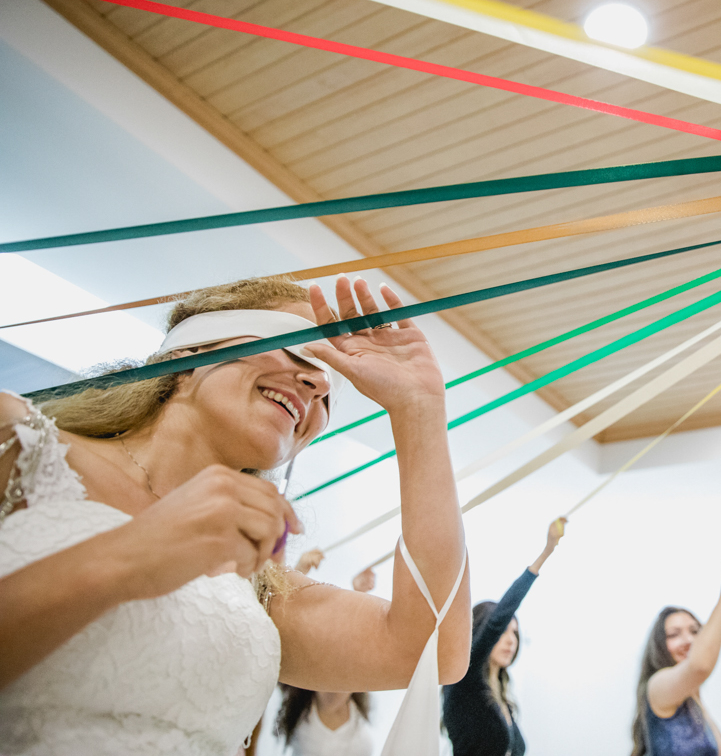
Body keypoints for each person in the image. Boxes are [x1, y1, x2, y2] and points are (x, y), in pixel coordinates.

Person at [0, 275, 470, 754]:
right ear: (190, 352)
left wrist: (419, 410)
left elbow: (434, 650)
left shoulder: (259, 586)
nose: (319, 382)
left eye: (330, 388)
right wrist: (127, 557)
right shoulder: (15, 442)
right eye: (298, 350)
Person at [442, 517, 567, 756]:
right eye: (503, 632)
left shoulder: (502, 696)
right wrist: (546, 553)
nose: (511, 640)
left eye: (515, 633)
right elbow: (497, 619)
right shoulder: (463, 682)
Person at [631, 560, 721, 756]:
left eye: (695, 631)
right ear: (660, 646)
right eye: (674, 634)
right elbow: (700, 666)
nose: (688, 640)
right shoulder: (657, 686)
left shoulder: (694, 701)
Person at [274, 557, 378, 756]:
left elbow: (348, 647)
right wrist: (298, 572)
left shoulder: (356, 702)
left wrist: (359, 594)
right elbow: (286, 627)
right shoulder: (317, 701)